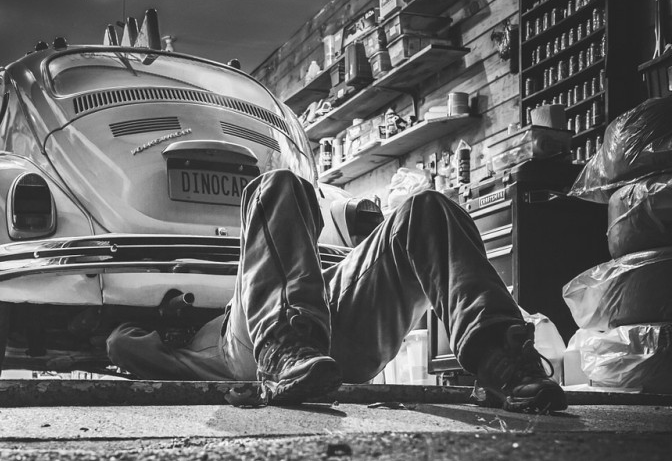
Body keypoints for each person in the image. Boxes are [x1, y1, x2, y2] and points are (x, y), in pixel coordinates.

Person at [106, 169, 567, 414]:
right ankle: (285, 352)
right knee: (276, 186)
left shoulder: (263, 283)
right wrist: (169, 317)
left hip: (329, 331)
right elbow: (119, 341)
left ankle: (501, 361)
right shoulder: (184, 346)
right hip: (259, 353)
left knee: (427, 209)